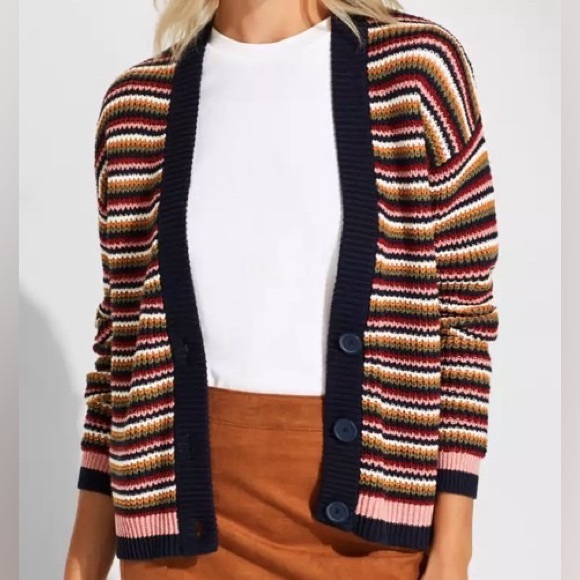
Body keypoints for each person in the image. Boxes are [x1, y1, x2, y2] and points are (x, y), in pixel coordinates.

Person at [64, 1, 500, 579]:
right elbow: (121, 351)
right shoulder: (136, 108)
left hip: (370, 536)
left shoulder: (417, 71)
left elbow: (464, 318)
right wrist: (80, 566)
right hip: (176, 542)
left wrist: (453, 550)